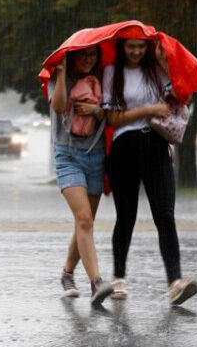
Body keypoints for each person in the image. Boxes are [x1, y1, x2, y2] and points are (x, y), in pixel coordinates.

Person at [102, 38, 197, 305]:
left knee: (165, 214)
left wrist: (166, 60)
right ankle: (119, 278)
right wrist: (148, 110)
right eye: (131, 46)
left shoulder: (156, 70)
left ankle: (175, 283)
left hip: (156, 144)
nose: (136, 52)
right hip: (124, 147)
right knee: (126, 216)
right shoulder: (112, 72)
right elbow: (112, 119)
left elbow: (179, 96)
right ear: (122, 47)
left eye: (141, 47)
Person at [49, 46, 114, 305]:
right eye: (83, 55)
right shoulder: (59, 76)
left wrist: (96, 111)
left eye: (93, 55)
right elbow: (58, 107)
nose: (89, 60)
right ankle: (96, 282)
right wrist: (63, 74)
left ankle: (67, 273)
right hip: (68, 155)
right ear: (73, 56)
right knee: (84, 218)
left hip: (96, 155)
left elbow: (114, 114)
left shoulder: (104, 78)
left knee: (84, 222)